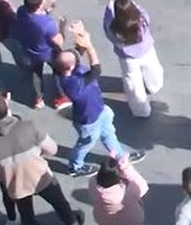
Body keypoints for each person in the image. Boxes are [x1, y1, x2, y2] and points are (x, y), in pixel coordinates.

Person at [0, 92, 87, 225]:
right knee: (61, 204)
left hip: (18, 186)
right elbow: (52, 149)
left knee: (28, 218)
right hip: (41, 176)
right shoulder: (29, 127)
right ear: (7, 106)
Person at [55, 21, 145, 177]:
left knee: (109, 134)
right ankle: (75, 166)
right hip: (88, 121)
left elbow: (78, 51)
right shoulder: (73, 84)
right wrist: (89, 47)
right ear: (70, 67)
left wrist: (80, 34)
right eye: (74, 58)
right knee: (85, 144)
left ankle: (120, 156)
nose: (77, 56)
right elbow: (96, 69)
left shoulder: (67, 68)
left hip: (100, 111)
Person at [102, 0, 165, 118]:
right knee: (153, 69)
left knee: (133, 83)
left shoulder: (114, 28)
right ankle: (154, 85)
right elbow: (137, 9)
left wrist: (110, 0)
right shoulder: (141, 20)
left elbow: (107, 23)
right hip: (147, 50)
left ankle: (141, 110)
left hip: (128, 58)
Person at [13, 0, 69, 110]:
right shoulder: (47, 24)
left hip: (30, 50)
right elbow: (59, 41)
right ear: (39, 5)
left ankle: (38, 99)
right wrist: (62, 28)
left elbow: (34, 17)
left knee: (36, 74)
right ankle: (61, 98)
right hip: (48, 52)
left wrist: (48, 10)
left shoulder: (22, 11)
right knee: (59, 71)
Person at [91, 155, 149, 225]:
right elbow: (142, 187)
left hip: (104, 218)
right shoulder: (124, 194)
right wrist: (126, 168)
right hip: (130, 220)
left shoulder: (93, 184)